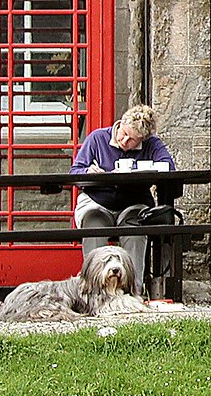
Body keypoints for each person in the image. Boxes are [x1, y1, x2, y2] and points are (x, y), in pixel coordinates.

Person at [69, 104, 176, 296]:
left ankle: (133, 290)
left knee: (135, 230)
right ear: (120, 124)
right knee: (93, 226)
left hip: (133, 203)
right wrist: (88, 172)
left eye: (132, 139)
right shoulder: (98, 138)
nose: (125, 140)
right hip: (97, 202)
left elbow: (168, 166)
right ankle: (93, 291)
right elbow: (75, 172)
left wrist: (144, 169)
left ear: (143, 139)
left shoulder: (152, 144)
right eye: (124, 133)